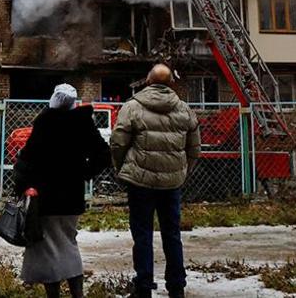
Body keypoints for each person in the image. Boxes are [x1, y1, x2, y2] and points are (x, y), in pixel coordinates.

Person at [110, 64, 201, 298]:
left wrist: (123, 169)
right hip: (172, 184)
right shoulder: (184, 109)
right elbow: (194, 148)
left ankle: (143, 286)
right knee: (172, 234)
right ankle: (177, 286)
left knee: (142, 235)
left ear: (148, 82)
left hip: (140, 183)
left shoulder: (132, 107)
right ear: (171, 83)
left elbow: (118, 142)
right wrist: (182, 172)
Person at [14, 83, 110, 298]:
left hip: (44, 196)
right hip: (72, 195)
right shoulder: (83, 123)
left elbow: (28, 158)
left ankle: (54, 294)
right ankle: (77, 292)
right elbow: (104, 154)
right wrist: (84, 172)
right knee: (69, 241)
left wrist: (22, 186)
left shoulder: (44, 123)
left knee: (48, 247)